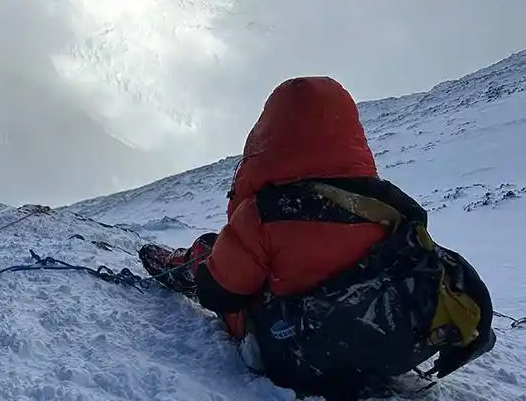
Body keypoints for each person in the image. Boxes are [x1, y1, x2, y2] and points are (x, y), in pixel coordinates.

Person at [139, 76, 495, 400]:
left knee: (216, 255)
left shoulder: (266, 211)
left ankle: (179, 266)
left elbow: (219, 294)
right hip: (381, 347)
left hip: (295, 357)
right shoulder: (390, 206)